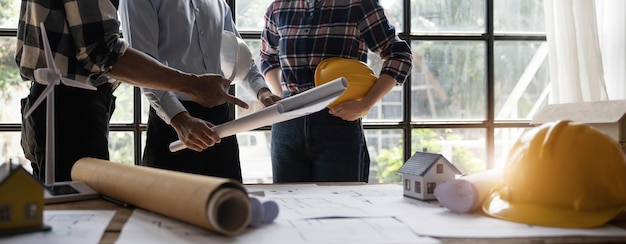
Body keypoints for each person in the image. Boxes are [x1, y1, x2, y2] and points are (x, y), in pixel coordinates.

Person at [16, 0, 248, 183]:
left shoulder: (219, 4)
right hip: (69, 108)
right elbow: (104, 51)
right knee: (79, 214)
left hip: (63, 100)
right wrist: (191, 86)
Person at [119, 0, 280, 181]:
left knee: (228, 204)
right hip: (173, 123)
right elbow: (142, 66)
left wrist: (262, 92)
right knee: (166, 206)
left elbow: (239, 55)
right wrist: (179, 119)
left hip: (222, 123)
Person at [260, 0, 412, 183]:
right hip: (287, 125)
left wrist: (366, 103)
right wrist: (281, 96)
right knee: (288, 205)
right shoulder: (279, 7)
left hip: (337, 121)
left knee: (340, 205)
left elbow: (399, 55)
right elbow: (268, 57)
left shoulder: (359, 5)